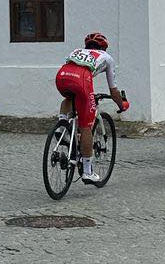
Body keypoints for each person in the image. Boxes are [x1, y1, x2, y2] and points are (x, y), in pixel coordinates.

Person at [54, 33, 129, 187]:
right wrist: (122, 105)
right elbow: (113, 90)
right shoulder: (107, 58)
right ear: (104, 47)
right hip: (81, 79)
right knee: (85, 126)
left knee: (69, 98)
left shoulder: (76, 51)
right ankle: (87, 171)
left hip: (62, 76)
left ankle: (61, 128)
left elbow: (72, 71)